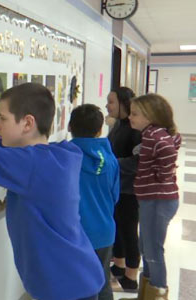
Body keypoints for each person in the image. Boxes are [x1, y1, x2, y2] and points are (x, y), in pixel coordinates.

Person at [0, 83, 104, 300]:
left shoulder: (33, 165)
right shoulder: (54, 155)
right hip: (74, 280)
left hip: (68, 289)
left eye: (3, 119)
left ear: (27, 123)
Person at [128, 94, 181, 300]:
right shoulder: (151, 134)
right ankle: (147, 292)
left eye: (135, 114)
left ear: (151, 117)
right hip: (151, 198)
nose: (130, 117)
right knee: (146, 246)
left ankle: (157, 293)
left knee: (153, 250)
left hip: (159, 199)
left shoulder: (155, 135)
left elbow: (167, 151)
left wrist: (161, 173)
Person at [69, 104, 120, 300]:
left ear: (70, 127)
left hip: (77, 234)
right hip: (105, 232)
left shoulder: (65, 159)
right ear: (99, 130)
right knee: (102, 282)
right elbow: (114, 197)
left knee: (79, 286)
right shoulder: (110, 159)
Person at [105, 87, 142, 292]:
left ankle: (131, 277)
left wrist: (113, 163)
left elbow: (137, 162)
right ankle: (118, 265)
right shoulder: (119, 124)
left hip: (130, 189)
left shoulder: (136, 129)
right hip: (118, 186)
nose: (107, 106)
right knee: (118, 226)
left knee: (129, 230)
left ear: (123, 103)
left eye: (111, 102)